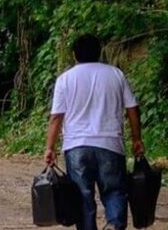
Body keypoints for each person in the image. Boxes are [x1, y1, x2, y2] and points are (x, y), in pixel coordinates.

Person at [44, 35, 144, 230]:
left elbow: (56, 117)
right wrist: (136, 139)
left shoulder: (65, 79)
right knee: (114, 190)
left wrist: (50, 148)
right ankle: (114, 224)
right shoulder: (116, 74)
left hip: (76, 147)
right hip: (110, 145)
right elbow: (132, 109)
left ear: (74, 55)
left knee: (82, 196)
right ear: (99, 53)